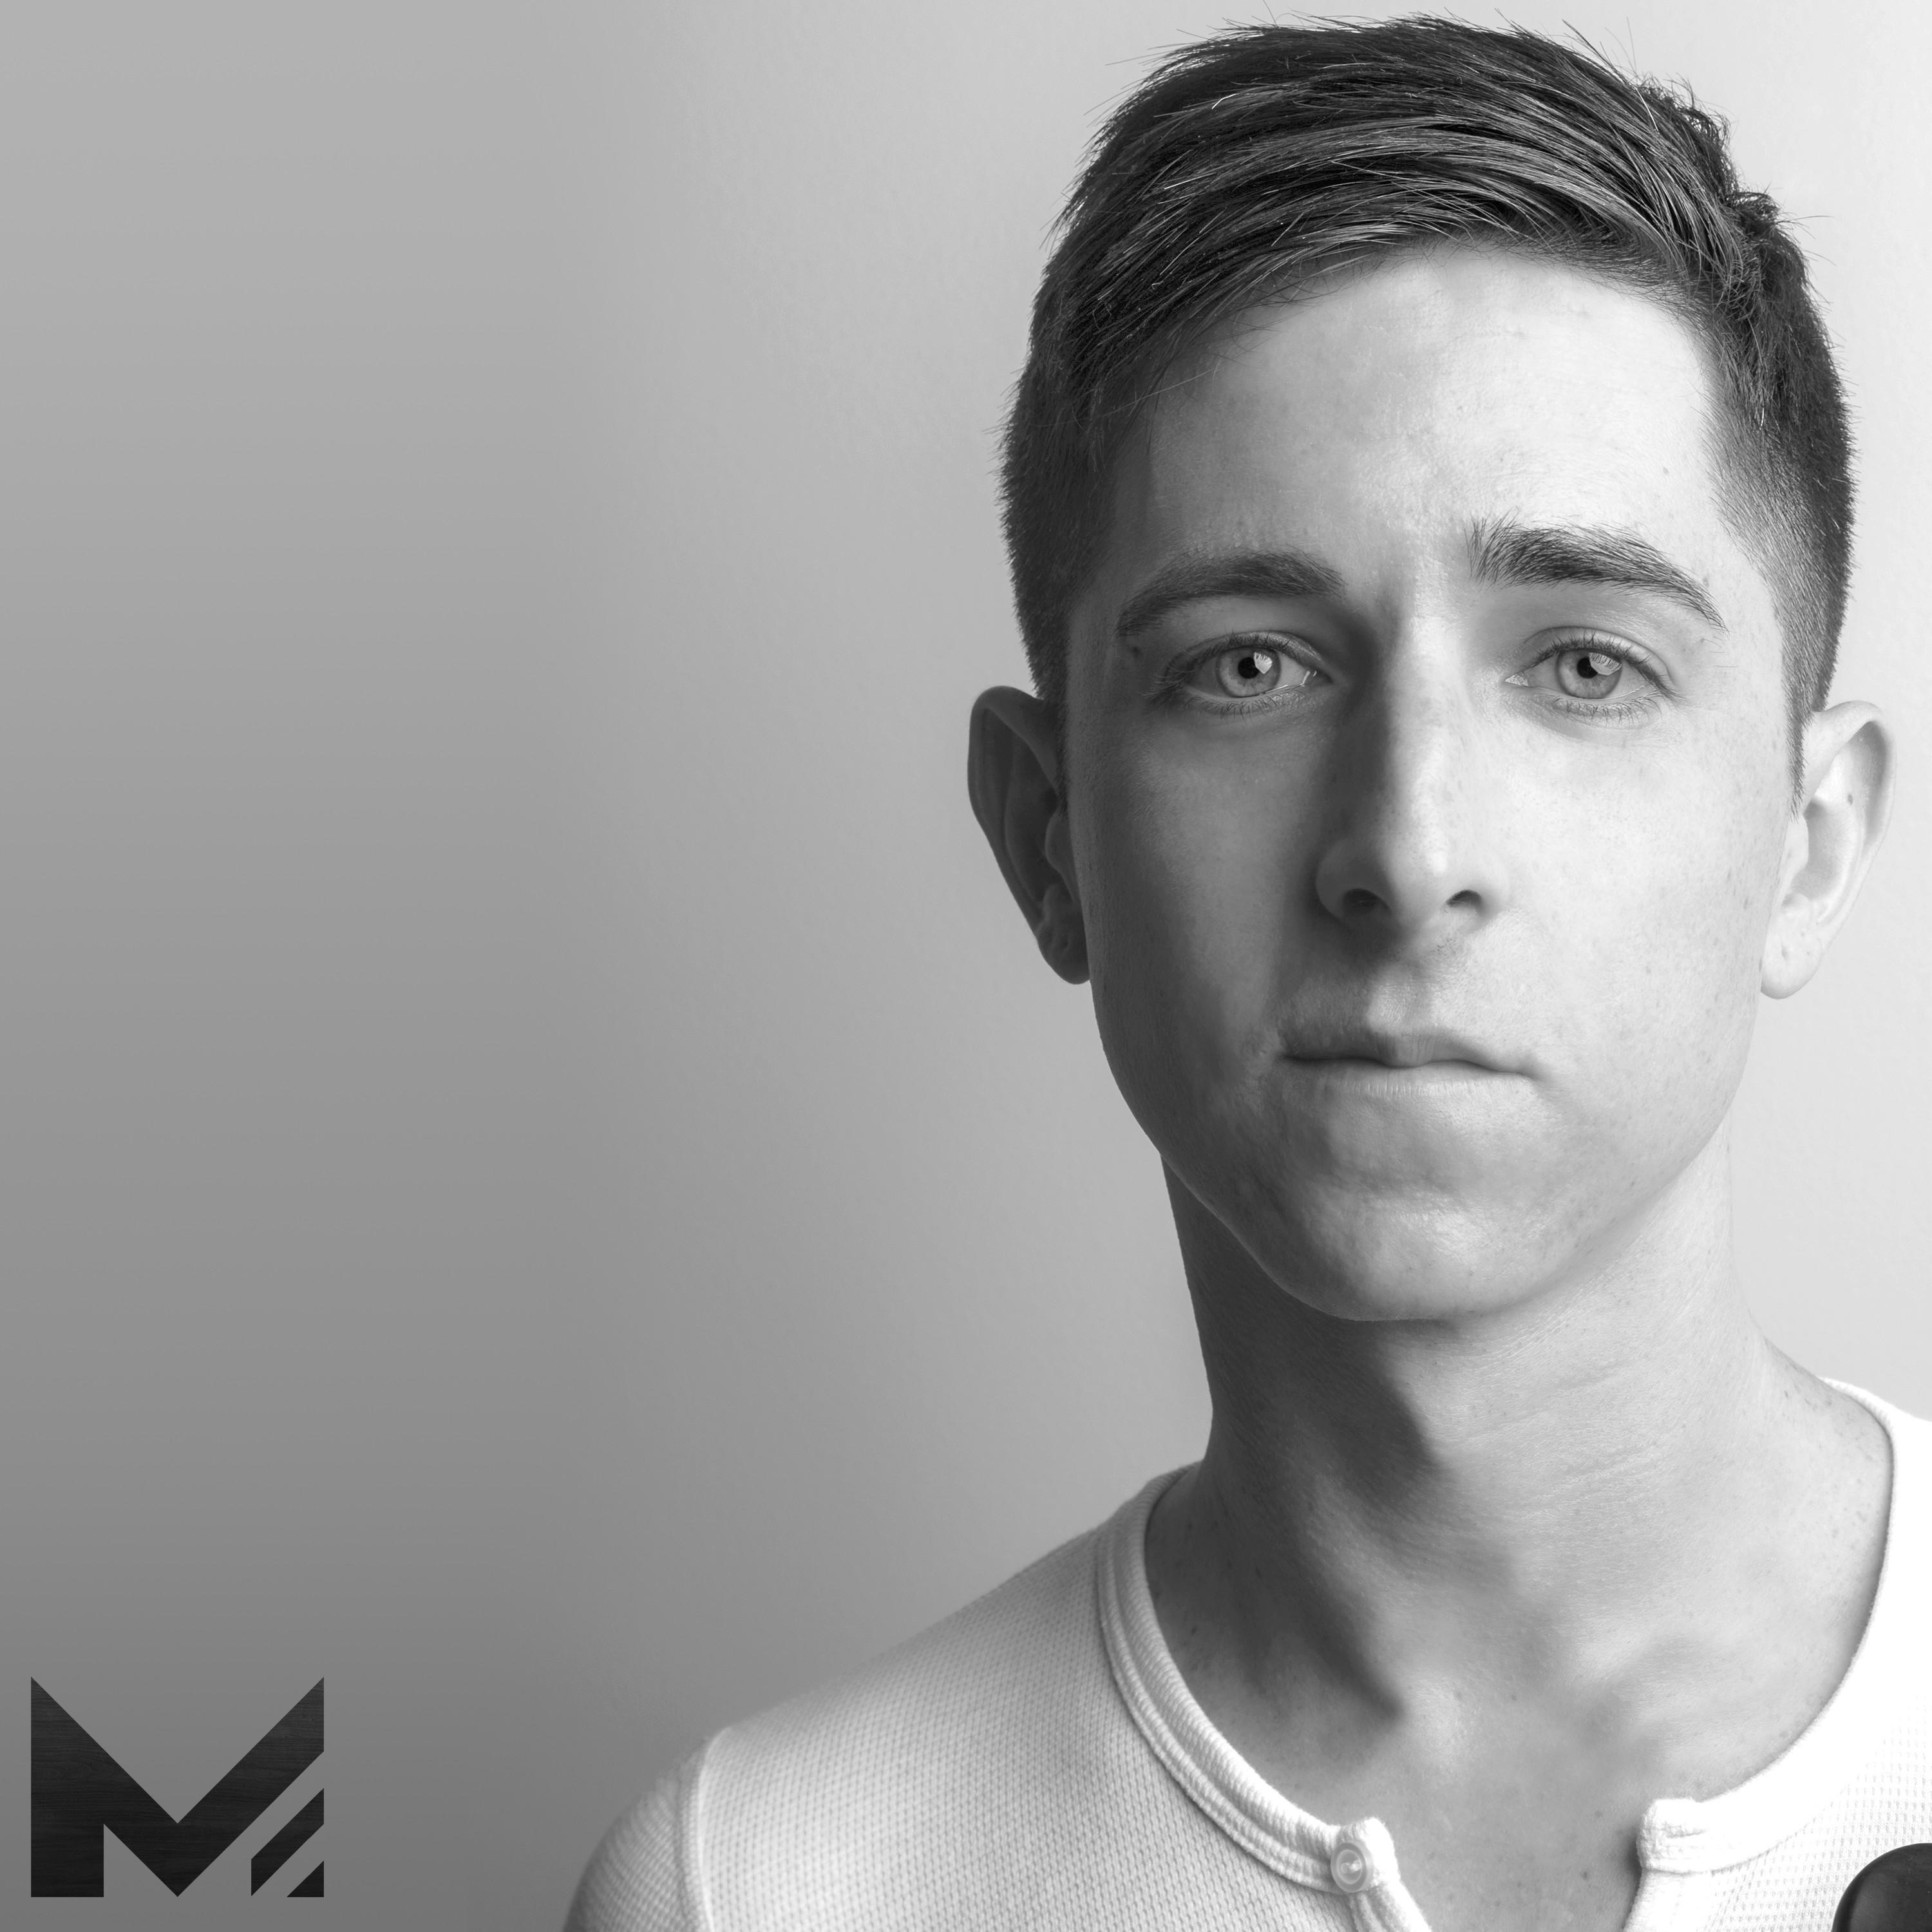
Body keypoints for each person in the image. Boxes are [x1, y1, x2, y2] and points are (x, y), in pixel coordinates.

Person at [567, 19, 1929, 1932]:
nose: (1409, 851)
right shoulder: (766, 1883)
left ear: (1813, 838)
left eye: (1584, 665)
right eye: (1249, 667)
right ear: (1049, 835)